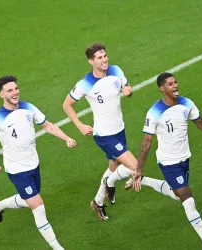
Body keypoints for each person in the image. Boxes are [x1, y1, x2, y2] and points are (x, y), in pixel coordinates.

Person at [131, 72, 202, 250]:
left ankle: (143, 180)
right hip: (168, 162)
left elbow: (201, 123)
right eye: (170, 84)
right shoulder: (154, 112)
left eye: (175, 83)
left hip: (184, 159)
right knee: (187, 197)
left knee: (177, 194)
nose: (175, 86)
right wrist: (138, 168)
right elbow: (146, 143)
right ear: (162, 88)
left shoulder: (186, 103)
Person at [0, 75, 76, 250]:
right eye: (10, 90)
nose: (15, 92)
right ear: (2, 95)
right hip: (17, 171)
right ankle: (57, 247)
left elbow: (48, 126)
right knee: (38, 207)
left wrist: (66, 138)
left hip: (34, 165)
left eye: (16, 88)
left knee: (27, 200)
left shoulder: (28, 107)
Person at [63, 42, 139, 220]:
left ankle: (97, 203)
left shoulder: (116, 71)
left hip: (119, 129)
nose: (104, 60)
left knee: (114, 167)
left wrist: (128, 91)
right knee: (135, 167)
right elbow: (66, 105)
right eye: (99, 58)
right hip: (104, 135)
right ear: (91, 61)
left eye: (105, 56)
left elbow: (126, 87)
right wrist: (80, 125)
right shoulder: (85, 84)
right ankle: (110, 184)